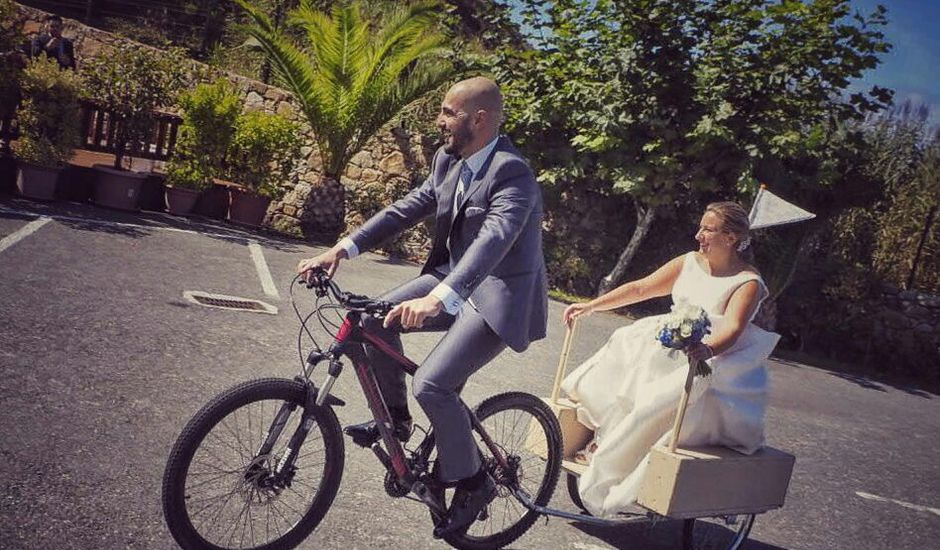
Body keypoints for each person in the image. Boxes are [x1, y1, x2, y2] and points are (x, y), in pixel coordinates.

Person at [297, 77, 547, 536]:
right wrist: (342, 248)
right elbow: (408, 206)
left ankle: (474, 482)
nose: (440, 120)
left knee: (433, 384)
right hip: (450, 281)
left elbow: (493, 241)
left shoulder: (514, 173)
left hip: (498, 295)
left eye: (449, 112)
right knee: (371, 320)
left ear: (480, 119)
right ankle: (395, 424)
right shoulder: (448, 159)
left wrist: (438, 297)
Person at [560, 202, 780, 518]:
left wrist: (706, 350)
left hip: (711, 355)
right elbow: (641, 287)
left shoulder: (747, 282)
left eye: (708, 229)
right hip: (668, 340)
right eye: (701, 227)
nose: (698, 235)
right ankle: (603, 437)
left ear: (731, 237)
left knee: (662, 384)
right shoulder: (689, 262)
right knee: (628, 342)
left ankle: (614, 455)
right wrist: (592, 306)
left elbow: (732, 328)